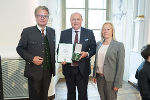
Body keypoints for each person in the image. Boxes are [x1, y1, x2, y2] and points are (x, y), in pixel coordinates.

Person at [16, 6, 55, 100]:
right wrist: (32, 58)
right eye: (40, 15)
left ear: (48, 18)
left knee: (44, 96)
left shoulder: (52, 31)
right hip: (34, 72)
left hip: (48, 71)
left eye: (45, 16)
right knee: (34, 97)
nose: (42, 18)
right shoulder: (27, 32)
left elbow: (52, 49)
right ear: (36, 17)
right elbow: (20, 49)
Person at [59, 12, 96, 100]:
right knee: (70, 93)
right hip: (69, 68)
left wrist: (86, 54)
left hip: (83, 69)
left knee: (83, 94)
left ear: (81, 20)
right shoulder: (64, 33)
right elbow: (59, 49)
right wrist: (61, 58)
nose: (75, 21)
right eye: (73, 19)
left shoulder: (89, 33)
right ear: (70, 21)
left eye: (78, 19)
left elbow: (94, 48)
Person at [92, 22, 125, 100]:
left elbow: (120, 66)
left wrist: (117, 83)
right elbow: (96, 60)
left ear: (112, 31)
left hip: (111, 79)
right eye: (103, 29)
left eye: (108, 29)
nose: (105, 31)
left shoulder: (119, 45)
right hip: (99, 77)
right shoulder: (99, 44)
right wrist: (94, 75)